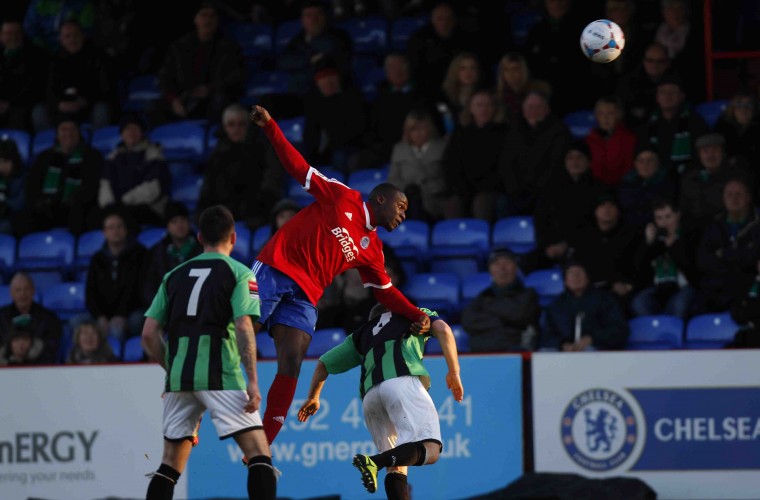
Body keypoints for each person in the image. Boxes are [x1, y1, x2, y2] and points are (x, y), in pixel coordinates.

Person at [248, 104, 431, 444]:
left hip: (306, 293)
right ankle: (200, 393)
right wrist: (271, 127)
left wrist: (416, 314)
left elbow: (385, 292)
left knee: (291, 361)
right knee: (242, 331)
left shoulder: (373, 250)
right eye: (401, 206)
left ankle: (261, 447)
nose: (403, 215)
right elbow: (299, 167)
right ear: (380, 199)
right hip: (277, 267)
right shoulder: (342, 196)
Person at [141, 205, 276, 500]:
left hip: (179, 380)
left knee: (169, 466)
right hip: (221, 373)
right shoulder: (240, 273)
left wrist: (173, 370)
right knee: (258, 455)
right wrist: (252, 380)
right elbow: (243, 326)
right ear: (234, 237)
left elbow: (149, 334)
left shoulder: (173, 275)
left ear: (200, 237)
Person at [297, 303, 463, 499]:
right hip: (401, 382)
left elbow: (323, 364)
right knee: (432, 450)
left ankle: (378, 462)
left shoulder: (361, 334)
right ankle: (374, 462)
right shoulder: (412, 314)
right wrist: (454, 372)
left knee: (396, 467)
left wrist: (313, 397)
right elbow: (443, 329)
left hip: (371, 398)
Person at [153, 3, 245, 126]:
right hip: (184, 96)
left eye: (212, 16)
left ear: (217, 21)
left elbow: (236, 75)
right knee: (154, 107)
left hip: (212, 95)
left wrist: (210, 88)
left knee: (221, 101)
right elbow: (164, 76)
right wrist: (173, 99)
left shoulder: (228, 46)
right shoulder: (179, 47)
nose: (207, 20)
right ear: (196, 19)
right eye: (203, 15)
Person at [198, 103, 283, 229]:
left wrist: (258, 207)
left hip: (256, 212)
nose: (236, 129)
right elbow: (208, 188)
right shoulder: (217, 154)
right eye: (231, 124)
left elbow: (271, 184)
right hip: (224, 214)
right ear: (225, 127)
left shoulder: (263, 149)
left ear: (248, 125)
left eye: (241, 124)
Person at [14, 116, 103, 236]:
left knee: (85, 215)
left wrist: (74, 200)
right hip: (48, 208)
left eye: (72, 130)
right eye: (64, 130)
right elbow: (32, 185)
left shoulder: (92, 156)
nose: (68, 134)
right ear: (57, 134)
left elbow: (92, 185)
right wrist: (41, 202)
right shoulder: (44, 157)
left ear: (79, 134)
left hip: (77, 207)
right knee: (22, 219)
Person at [498, 88, 572, 216]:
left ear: (547, 109)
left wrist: (536, 190)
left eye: (538, 107)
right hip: (517, 191)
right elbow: (506, 163)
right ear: (523, 110)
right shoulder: (514, 131)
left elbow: (555, 164)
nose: (533, 111)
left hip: (546, 190)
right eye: (530, 107)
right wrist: (515, 189)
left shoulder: (559, 131)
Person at [693, 178, 760, 315]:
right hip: (717, 285)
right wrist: (736, 257)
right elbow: (703, 260)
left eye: (738, 194)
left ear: (748, 197)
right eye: (729, 194)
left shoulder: (757, 223)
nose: (734, 198)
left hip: (747, 286)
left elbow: (753, 258)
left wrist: (723, 254)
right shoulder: (714, 224)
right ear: (723, 198)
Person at [36, 19, 114, 132]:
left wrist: (84, 102)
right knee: (39, 111)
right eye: (68, 36)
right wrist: (58, 104)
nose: (72, 40)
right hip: (62, 110)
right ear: (61, 40)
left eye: (76, 35)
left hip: (88, 108)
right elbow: (48, 90)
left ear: (83, 36)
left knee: (102, 109)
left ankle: (97, 146)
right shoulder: (53, 61)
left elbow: (105, 90)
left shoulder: (98, 58)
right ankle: (49, 147)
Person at [443, 88, 505, 222]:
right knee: (453, 204)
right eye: (479, 105)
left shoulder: (503, 134)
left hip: (491, 188)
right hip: (463, 188)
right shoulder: (460, 134)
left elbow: (505, 167)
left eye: (487, 105)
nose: (483, 109)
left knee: (482, 203)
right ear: (471, 108)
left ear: (494, 108)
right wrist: (461, 188)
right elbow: (451, 165)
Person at [98, 114, 171, 228]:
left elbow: (154, 188)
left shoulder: (153, 153)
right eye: (127, 129)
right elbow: (105, 184)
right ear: (121, 134)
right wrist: (109, 206)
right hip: (118, 207)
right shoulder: (113, 157)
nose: (131, 132)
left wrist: (124, 201)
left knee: (125, 220)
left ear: (142, 133)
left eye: (135, 129)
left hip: (148, 207)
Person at [461, 248, 540, 352]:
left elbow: (519, 314)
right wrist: (507, 326)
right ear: (490, 270)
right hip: (482, 356)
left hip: (515, 355)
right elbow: (468, 322)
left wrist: (489, 307)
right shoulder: (483, 296)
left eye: (507, 262)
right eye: (496, 263)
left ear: (515, 267)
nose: (502, 268)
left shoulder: (528, 294)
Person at [631, 197, 699, 320]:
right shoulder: (652, 240)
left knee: (680, 303)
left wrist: (673, 246)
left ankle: (676, 337)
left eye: (668, 217)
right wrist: (648, 244)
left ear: (677, 215)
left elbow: (693, 268)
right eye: (659, 218)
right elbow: (638, 269)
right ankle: (656, 336)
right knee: (639, 302)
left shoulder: (690, 235)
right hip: (658, 290)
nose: (664, 222)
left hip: (683, 288)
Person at [539, 260, 630, 351]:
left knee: (589, 350)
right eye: (571, 273)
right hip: (565, 351)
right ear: (565, 281)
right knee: (545, 351)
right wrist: (563, 345)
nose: (575, 276)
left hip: (596, 348)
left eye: (579, 272)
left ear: (587, 278)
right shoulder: (556, 305)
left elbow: (619, 329)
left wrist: (592, 339)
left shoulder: (604, 299)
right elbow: (546, 336)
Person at [85, 208, 147, 340]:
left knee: (117, 329)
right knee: (76, 323)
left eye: (119, 226)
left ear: (125, 230)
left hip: (132, 311)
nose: (116, 231)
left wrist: (121, 315)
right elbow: (90, 292)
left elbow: (137, 289)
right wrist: (100, 316)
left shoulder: (140, 254)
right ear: (104, 232)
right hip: (103, 313)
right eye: (111, 227)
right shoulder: (97, 259)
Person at [302, 58, 367, 173]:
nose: (327, 81)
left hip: (352, 148)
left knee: (342, 159)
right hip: (327, 153)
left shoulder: (353, 98)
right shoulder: (314, 104)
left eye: (331, 77)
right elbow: (311, 136)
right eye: (322, 78)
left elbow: (358, 131)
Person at [277, 0, 353, 95]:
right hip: (303, 86)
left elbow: (333, 55)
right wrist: (309, 59)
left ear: (325, 17)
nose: (314, 20)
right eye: (309, 16)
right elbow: (284, 61)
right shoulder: (298, 39)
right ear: (302, 20)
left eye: (318, 15)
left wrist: (308, 57)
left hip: (331, 84)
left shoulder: (339, 36)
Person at [388, 109, 448, 222]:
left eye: (422, 128)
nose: (418, 133)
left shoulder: (441, 148)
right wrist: (408, 187)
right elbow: (393, 180)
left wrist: (426, 187)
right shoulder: (399, 149)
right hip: (405, 201)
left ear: (429, 129)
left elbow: (446, 179)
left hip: (433, 200)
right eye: (414, 129)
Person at [140, 201, 203, 308]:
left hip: (197, 306)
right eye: (174, 222)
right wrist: (160, 307)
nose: (179, 225)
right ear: (167, 226)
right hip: (164, 308)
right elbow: (148, 286)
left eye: (183, 220)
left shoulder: (202, 248)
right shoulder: (157, 252)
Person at [0, 271, 62, 364]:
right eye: (18, 290)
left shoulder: (49, 318)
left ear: (33, 291)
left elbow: (51, 349)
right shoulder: (1, 317)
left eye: (26, 289)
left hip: (39, 369)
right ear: (11, 293)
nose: (22, 294)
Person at [0, 19, 49, 132]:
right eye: (8, 33)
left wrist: (10, 104)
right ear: (1, 36)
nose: (13, 37)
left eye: (17, 33)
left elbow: (36, 88)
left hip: (25, 105)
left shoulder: (36, 56)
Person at [586, 95, 636, 187]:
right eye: (601, 113)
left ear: (619, 114)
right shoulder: (589, 139)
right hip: (594, 187)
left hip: (622, 187)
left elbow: (629, 168)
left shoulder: (628, 138)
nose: (605, 118)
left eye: (610, 113)